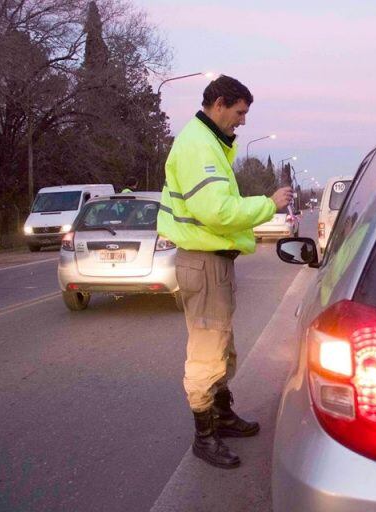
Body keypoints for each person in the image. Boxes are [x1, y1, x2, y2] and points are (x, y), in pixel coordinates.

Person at [157, 75, 293, 469]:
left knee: (221, 347)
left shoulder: (208, 143)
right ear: (219, 104)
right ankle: (205, 436)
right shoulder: (199, 146)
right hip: (203, 261)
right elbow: (216, 210)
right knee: (206, 353)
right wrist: (268, 204)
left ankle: (223, 415)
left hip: (210, 261)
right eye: (239, 112)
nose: (242, 122)